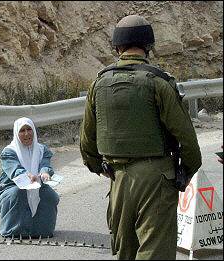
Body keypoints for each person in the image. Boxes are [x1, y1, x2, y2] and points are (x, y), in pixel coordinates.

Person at [80, 15, 202, 260]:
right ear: (148, 45)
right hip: (156, 178)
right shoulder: (158, 82)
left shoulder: (99, 84)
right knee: (155, 250)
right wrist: (185, 173)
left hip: (118, 179)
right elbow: (187, 139)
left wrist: (100, 168)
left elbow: (87, 143)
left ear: (117, 47)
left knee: (126, 251)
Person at [0, 117, 60, 238]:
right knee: (18, 193)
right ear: (16, 133)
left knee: (49, 195)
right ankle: (14, 230)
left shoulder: (42, 150)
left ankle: (41, 230)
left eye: (29, 129)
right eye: (22, 130)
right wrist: (27, 175)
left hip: (37, 184)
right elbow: (14, 169)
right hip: (10, 187)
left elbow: (45, 165)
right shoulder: (9, 151)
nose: (26, 134)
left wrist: (45, 173)